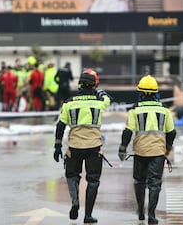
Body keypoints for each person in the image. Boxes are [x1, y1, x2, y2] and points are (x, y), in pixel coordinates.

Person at [53, 69, 112, 223]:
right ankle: (88, 215)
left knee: (72, 175)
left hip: (74, 146)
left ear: (79, 84)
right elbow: (107, 98)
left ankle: (75, 202)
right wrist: (100, 91)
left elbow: (60, 125)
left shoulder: (69, 103)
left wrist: (57, 146)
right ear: (94, 86)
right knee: (93, 180)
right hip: (94, 147)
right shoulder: (99, 103)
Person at [118, 75, 176, 224]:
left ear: (141, 93)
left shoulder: (135, 110)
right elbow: (172, 132)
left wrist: (123, 148)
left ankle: (140, 211)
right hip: (158, 153)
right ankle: (151, 215)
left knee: (139, 182)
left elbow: (128, 131)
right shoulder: (165, 110)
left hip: (140, 152)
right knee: (155, 183)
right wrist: (167, 148)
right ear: (156, 92)